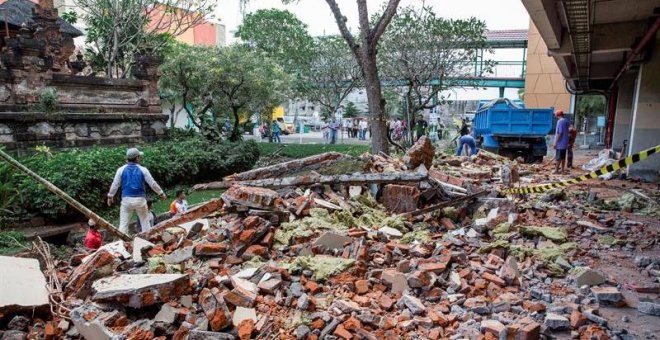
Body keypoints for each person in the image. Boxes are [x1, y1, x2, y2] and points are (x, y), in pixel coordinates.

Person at [107, 148, 166, 234]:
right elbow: (152, 183)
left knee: (123, 224)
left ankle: (122, 243)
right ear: (137, 158)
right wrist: (161, 193)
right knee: (145, 223)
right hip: (140, 200)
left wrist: (110, 196)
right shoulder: (143, 169)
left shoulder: (121, 170)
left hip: (126, 200)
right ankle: (148, 241)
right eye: (139, 157)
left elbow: (115, 184)